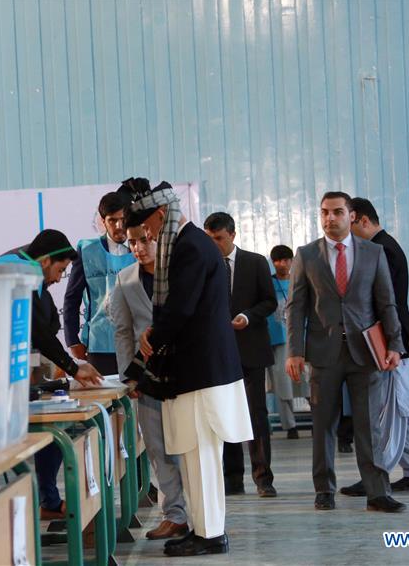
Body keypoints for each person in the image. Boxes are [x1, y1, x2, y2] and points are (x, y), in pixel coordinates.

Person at [125, 178, 253, 557]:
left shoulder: (191, 246)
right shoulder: (185, 244)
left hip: (203, 370)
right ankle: (201, 527)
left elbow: (180, 308)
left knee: (202, 457)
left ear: (162, 215)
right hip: (193, 369)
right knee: (193, 456)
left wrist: (152, 339)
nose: (146, 235)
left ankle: (211, 534)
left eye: (147, 227)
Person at [285, 191, 406, 513]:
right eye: (324, 212)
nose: (330, 218)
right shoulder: (306, 254)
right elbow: (295, 307)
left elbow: (386, 302)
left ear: (351, 216)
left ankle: (377, 492)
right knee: (323, 423)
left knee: (370, 426)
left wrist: (395, 345)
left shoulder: (373, 252)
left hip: (366, 353)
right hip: (323, 354)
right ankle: (324, 489)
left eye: (337, 212)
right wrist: (294, 351)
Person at [0, 229, 103, 519]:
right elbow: (40, 331)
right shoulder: (20, 271)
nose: (57, 279)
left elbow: (46, 325)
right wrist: (74, 368)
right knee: (45, 431)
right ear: (45, 261)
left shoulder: (25, 265)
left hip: (2, 370)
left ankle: (48, 502)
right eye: (61, 270)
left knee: (53, 426)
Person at [339, 197, 409, 497]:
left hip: (391, 342)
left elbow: (384, 302)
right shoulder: (384, 247)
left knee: (391, 412)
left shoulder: (382, 250)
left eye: (351, 226)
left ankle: (380, 474)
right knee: (402, 410)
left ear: (363, 220)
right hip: (393, 340)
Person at [109, 224, 188, 540]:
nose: (139, 248)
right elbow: (123, 331)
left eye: (145, 240)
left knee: (189, 446)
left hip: (186, 374)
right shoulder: (124, 280)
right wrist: (131, 377)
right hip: (148, 376)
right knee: (157, 448)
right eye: (132, 243)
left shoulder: (180, 274)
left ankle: (200, 512)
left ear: (158, 238)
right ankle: (175, 514)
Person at [203, 212, 279, 498]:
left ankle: (263, 479)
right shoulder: (205, 266)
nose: (214, 245)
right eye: (209, 239)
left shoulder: (256, 262)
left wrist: (248, 316)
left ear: (233, 235)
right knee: (224, 416)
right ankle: (232, 479)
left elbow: (270, 301)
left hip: (251, 349)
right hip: (217, 353)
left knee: (256, 415)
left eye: (219, 239)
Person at [63, 190, 136, 374]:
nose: (119, 225)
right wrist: (72, 340)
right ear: (103, 221)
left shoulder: (144, 248)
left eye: (123, 218)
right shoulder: (88, 250)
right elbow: (72, 298)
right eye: (112, 220)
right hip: (101, 346)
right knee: (104, 401)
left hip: (138, 343)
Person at [265, 245, 303, 438]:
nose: (283, 264)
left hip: (299, 337)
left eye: (286, 260)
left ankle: (321, 421)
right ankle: (290, 426)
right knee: (282, 384)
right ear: (273, 262)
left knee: (306, 382)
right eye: (278, 260)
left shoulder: (300, 281)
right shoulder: (267, 283)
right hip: (277, 338)